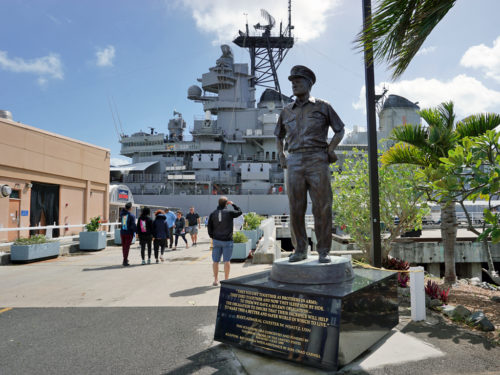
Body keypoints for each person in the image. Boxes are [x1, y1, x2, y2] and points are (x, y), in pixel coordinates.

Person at [275, 65, 345, 263]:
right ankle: (300, 250)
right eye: (292, 81)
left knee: (322, 207)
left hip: (318, 159)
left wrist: (330, 149)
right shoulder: (286, 111)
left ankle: (324, 251)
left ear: (309, 84)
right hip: (295, 160)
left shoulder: (323, 106)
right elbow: (278, 136)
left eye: (298, 81)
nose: (294, 84)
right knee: (295, 207)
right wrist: (281, 155)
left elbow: (339, 130)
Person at [207, 196, 242, 286]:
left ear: (218, 203)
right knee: (227, 261)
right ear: (226, 203)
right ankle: (226, 280)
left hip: (216, 240)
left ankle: (215, 280)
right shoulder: (229, 212)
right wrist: (233, 204)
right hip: (227, 240)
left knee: (215, 261)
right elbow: (240, 212)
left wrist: (213, 236)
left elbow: (209, 227)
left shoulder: (212, 213)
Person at [119, 202, 137, 266]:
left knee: (124, 246)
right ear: (130, 208)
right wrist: (136, 232)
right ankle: (125, 260)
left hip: (122, 232)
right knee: (127, 247)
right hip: (129, 233)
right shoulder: (132, 216)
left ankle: (125, 258)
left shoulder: (122, 214)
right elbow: (133, 225)